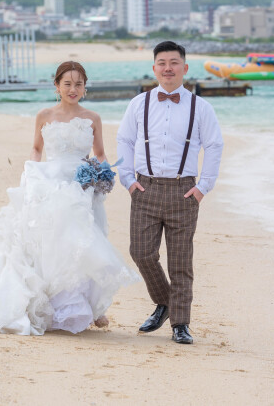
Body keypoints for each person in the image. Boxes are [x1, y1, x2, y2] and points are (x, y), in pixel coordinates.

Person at [0, 61, 139, 335]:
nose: (73, 89)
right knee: (51, 243)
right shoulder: (44, 115)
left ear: (85, 87)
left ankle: (89, 307)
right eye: (67, 84)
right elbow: (36, 149)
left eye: (79, 84)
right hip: (50, 183)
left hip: (82, 187)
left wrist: (103, 175)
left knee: (82, 243)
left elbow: (101, 154)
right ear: (56, 86)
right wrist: (29, 178)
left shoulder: (93, 118)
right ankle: (52, 304)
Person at [116, 41, 223, 345]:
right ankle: (164, 302)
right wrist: (127, 179)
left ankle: (180, 323)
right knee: (141, 253)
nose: (168, 68)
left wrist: (203, 187)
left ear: (185, 68)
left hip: (183, 190)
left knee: (180, 261)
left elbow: (214, 146)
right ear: (154, 69)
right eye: (161, 63)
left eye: (174, 62)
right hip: (145, 188)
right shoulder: (139, 103)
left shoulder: (201, 107)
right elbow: (124, 139)